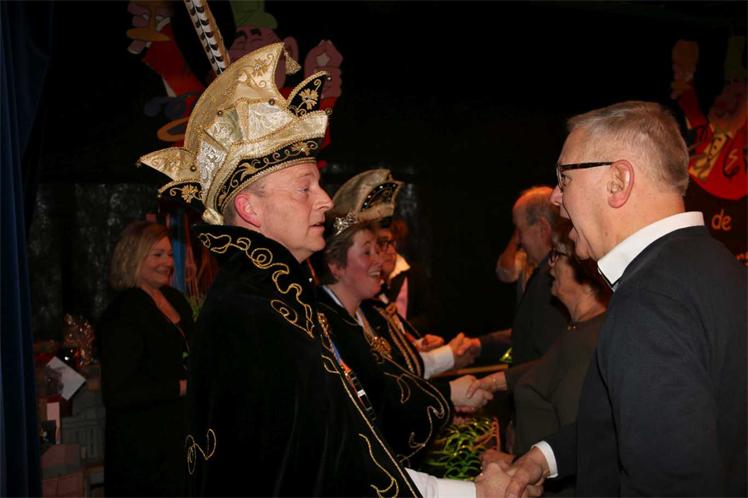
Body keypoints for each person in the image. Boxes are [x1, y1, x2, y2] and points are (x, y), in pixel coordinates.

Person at [139, 43, 518, 497]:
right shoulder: (257, 315)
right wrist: (473, 494)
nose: (324, 201)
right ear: (250, 208)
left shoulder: (273, 299)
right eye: (305, 188)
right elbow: (337, 471)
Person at [505, 101, 747, 498]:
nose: (556, 197)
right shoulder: (714, 265)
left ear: (618, 181)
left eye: (565, 178)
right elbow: (643, 423)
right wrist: (544, 458)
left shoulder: (649, 302)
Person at [472, 218, 610, 495]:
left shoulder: (585, 342)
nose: (550, 265)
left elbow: (583, 447)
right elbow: (551, 367)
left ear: (585, 276)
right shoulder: (579, 329)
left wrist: (516, 463)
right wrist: (498, 381)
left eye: (557, 255)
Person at [99, 221, 192, 497]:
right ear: (134, 257)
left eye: (170, 254)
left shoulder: (175, 299)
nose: (167, 262)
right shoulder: (123, 311)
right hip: (143, 449)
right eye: (157, 254)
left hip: (178, 440)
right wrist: (180, 387)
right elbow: (117, 392)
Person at [477, 187, 568, 365]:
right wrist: (480, 345)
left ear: (542, 228)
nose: (518, 240)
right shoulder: (545, 273)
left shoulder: (552, 281)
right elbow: (526, 338)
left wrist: (504, 379)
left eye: (520, 230)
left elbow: (545, 358)